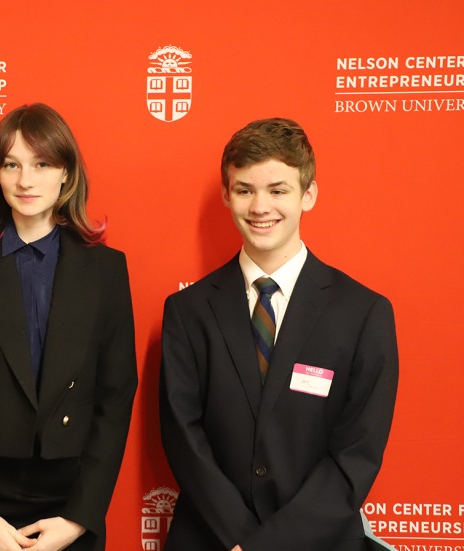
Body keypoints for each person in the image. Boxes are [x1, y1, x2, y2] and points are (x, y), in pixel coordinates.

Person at [159, 118, 399, 551]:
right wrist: (239, 541)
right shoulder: (187, 311)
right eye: (245, 189)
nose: (259, 206)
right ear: (226, 195)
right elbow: (184, 438)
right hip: (211, 539)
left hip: (318, 542)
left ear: (308, 195)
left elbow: (356, 454)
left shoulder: (364, 313)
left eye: (278, 190)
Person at [0, 103, 138, 551]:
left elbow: (116, 398)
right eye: (12, 164)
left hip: (71, 501)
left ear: (66, 173)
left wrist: (80, 518)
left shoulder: (105, 268)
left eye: (42, 164)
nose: (26, 181)